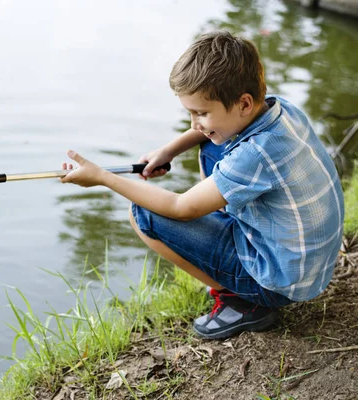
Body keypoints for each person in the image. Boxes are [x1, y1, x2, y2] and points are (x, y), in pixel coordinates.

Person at [60, 30, 344, 340]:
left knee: (142, 214)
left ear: (244, 103)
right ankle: (228, 245)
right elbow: (208, 133)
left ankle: (242, 300)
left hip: (278, 284)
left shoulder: (256, 154)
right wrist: (169, 150)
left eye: (201, 113)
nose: (195, 123)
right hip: (308, 269)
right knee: (212, 145)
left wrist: (102, 177)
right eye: (190, 113)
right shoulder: (280, 110)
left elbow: (180, 208)